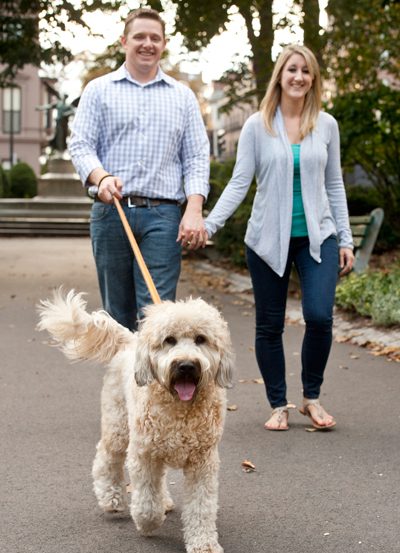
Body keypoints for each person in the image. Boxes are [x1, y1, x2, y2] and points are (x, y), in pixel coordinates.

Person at [204, 45, 354, 431]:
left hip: (318, 238)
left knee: (319, 317)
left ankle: (311, 398)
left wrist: (347, 239)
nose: (299, 77)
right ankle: (278, 404)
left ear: (313, 78)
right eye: (292, 70)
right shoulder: (259, 124)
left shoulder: (326, 125)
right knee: (269, 325)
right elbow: (240, 182)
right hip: (268, 240)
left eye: (306, 71)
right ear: (280, 76)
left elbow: (334, 184)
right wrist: (210, 225)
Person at [68, 8, 209, 330]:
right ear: (124, 41)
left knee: (158, 318)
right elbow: (80, 145)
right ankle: (122, 382)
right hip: (111, 212)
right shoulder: (98, 90)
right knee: (117, 319)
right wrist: (100, 177)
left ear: (164, 43)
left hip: (164, 217)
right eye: (140, 37)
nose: (148, 44)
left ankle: (154, 383)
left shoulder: (183, 97)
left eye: (155, 38)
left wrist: (194, 209)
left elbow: (198, 157)